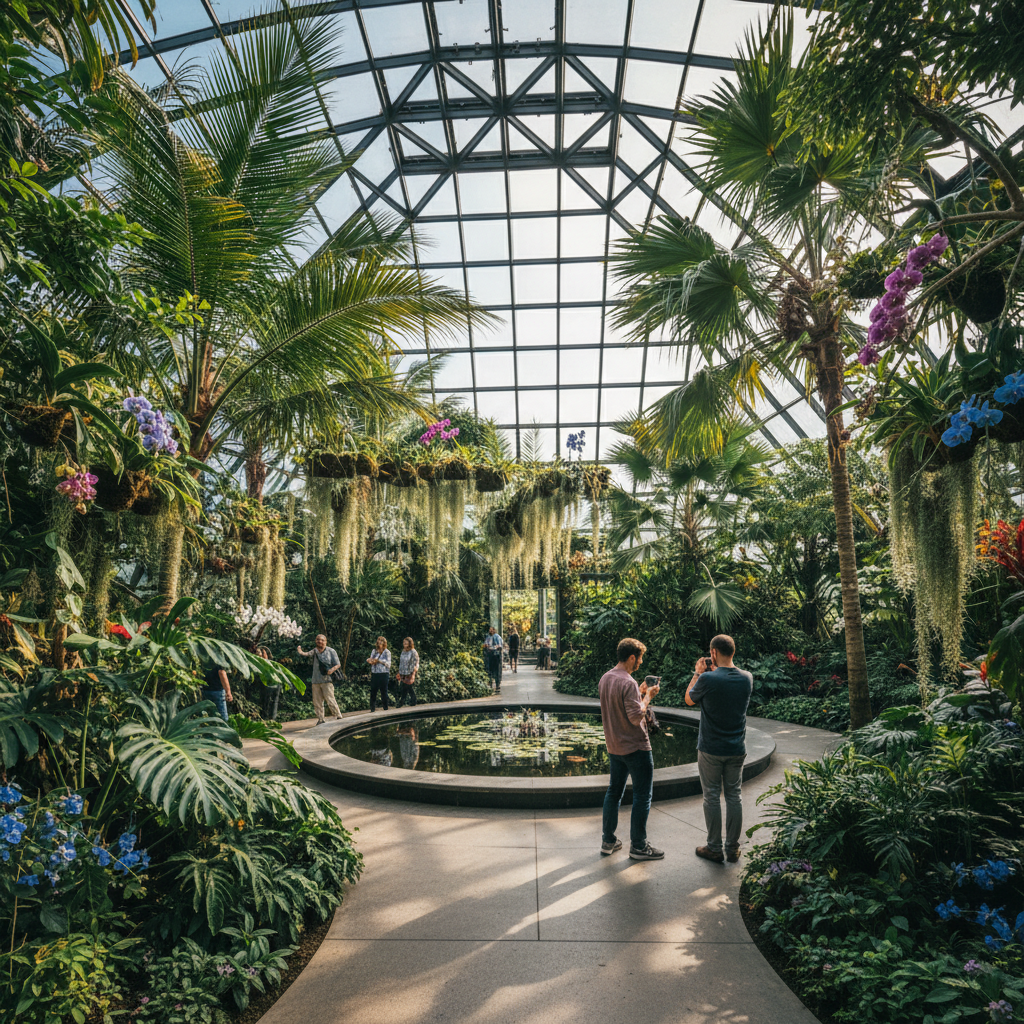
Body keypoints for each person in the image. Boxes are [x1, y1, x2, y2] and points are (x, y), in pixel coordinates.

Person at [685, 633, 753, 864]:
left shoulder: (707, 680)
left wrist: (697, 673)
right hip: (736, 748)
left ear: (713, 653)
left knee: (712, 796)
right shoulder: (747, 678)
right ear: (733, 652)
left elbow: (689, 699)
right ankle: (732, 848)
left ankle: (714, 848)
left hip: (710, 748)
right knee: (734, 795)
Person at [598, 637, 664, 861]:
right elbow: (636, 717)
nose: (641, 663)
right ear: (632, 657)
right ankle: (638, 846)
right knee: (642, 795)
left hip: (614, 747)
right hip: (635, 747)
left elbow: (620, 706)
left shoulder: (606, 678)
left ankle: (608, 840)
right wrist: (647, 696)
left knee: (613, 792)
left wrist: (639, 692)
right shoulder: (627, 682)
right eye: (640, 658)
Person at [297, 634, 342, 725]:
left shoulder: (331, 651)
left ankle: (338, 715)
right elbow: (306, 654)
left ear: (325, 641)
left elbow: (338, 664)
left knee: (330, 699)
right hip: (316, 680)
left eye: (321, 640)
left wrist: (331, 670)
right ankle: (321, 718)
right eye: (317, 639)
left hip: (327, 680)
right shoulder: (315, 651)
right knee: (317, 701)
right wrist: (300, 651)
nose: (319, 641)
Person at [367, 636, 392, 711]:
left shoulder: (387, 652)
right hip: (375, 673)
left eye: (381, 641)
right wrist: (370, 661)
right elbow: (371, 659)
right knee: (373, 691)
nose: (379, 642)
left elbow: (388, 664)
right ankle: (372, 709)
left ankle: (385, 707)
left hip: (384, 673)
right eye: (378, 641)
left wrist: (379, 661)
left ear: (384, 643)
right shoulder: (374, 651)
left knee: (383, 691)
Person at [396, 637, 420, 707]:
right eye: (404, 643)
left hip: (410, 671)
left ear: (410, 644)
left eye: (406, 643)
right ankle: (413, 700)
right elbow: (401, 662)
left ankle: (401, 702)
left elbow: (415, 663)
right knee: (407, 688)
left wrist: (412, 673)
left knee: (406, 686)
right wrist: (399, 672)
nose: (404, 644)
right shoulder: (403, 651)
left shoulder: (413, 652)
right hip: (403, 672)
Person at [483, 625, 503, 694]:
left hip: (496, 655)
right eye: (489, 630)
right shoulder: (488, 637)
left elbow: (500, 646)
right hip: (490, 655)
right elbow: (485, 644)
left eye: (491, 629)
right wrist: (486, 646)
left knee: (497, 670)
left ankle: (497, 685)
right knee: (490, 669)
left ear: (494, 630)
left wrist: (496, 647)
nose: (490, 631)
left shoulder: (497, 637)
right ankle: (490, 684)